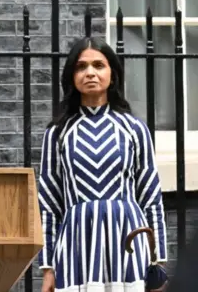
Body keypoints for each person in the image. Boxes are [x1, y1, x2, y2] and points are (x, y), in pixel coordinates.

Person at [37, 37, 168, 291]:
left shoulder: (134, 129)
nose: (90, 73)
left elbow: (151, 197)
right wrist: (48, 268)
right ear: (72, 76)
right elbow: (49, 206)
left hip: (128, 240)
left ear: (113, 74)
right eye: (81, 66)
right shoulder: (57, 133)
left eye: (99, 65)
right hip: (77, 243)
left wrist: (158, 261)